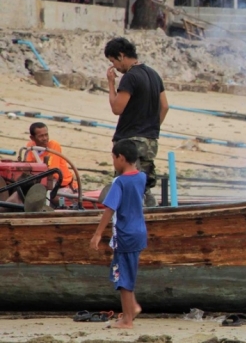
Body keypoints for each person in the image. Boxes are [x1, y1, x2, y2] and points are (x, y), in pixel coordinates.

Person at [105, 37, 169, 207]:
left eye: (113, 61)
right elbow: (165, 106)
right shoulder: (154, 75)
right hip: (150, 141)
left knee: (128, 188)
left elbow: (117, 108)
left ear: (121, 55)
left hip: (129, 141)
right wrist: (152, 128)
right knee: (145, 187)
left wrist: (111, 84)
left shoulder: (130, 77)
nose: (116, 68)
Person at [90, 140, 147, 329]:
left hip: (125, 235)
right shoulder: (141, 177)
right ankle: (133, 308)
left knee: (122, 277)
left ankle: (127, 319)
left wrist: (98, 234)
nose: (113, 162)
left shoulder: (120, 182)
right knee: (127, 272)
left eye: (114, 158)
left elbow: (109, 209)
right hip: (139, 233)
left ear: (121, 158)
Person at [24, 122, 75, 191]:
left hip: (61, 184)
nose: (45, 138)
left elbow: (51, 171)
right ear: (32, 138)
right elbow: (28, 166)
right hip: (41, 180)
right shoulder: (30, 145)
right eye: (41, 136)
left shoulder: (54, 145)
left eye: (46, 135)